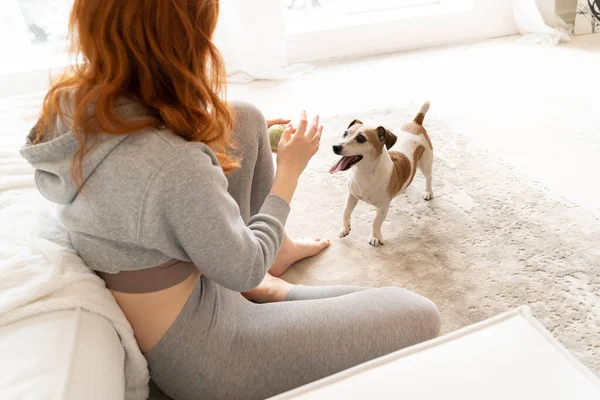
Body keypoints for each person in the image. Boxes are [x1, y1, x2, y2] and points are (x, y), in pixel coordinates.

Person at [20, 1, 441, 399]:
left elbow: (154, 173)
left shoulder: (75, 103)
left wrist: (207, 131)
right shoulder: (172, 164)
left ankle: (279, 260)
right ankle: (268, 282)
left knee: (241, 118)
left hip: (187, 281)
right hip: (208, 351)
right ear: (181, 39)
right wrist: (290, 170)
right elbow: (240, 268)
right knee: (415, 312)